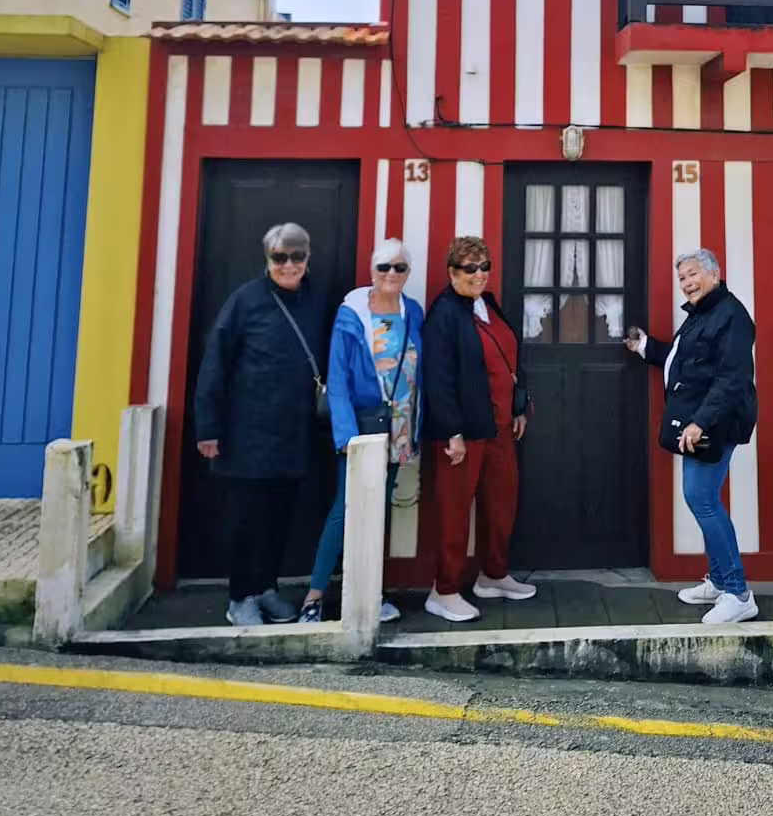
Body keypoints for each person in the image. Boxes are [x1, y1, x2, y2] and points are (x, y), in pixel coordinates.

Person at [195, 222, 327, 627]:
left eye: (296, 257)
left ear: (307, 259)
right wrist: (208, 428)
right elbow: (215, 363)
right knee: (245, 520)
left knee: (280, 517)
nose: (288, 265)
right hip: (245, 434)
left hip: (293, 434)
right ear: (267, 260)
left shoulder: (317, 301)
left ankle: (266, 588)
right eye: (279, 258)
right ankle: (240, 597)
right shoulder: (244, 301)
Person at [624, 247, 759, 625]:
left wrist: (700, 422)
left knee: (701, 498)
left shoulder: (731, 316)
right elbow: (681, 361)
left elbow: (732, 378)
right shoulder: (702, 315)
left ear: (715, 275)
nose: (686, 283)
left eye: (693, 274)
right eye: (682, 277)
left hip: (715, 422)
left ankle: (738, 592)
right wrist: (646, 347)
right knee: (702, 498)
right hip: (701, 419)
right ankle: (719, 582)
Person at [299, 238, 425, 624]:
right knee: (346, 510)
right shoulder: (351, 314)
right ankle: (314, 596)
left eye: (399, 268)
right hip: (362, 426)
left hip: (400, 426)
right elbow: (337, 379)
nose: (391, 274)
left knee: (379, 512)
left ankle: (370, 590)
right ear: (372, 272)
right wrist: (346, 437)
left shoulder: (414, 312)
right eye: (384, 267)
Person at [421, 236, 536, 622]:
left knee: (502, 503)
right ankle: (445, 590)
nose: (479, 274)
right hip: (463, 432)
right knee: (454, 513)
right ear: (452, 271)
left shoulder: (487, 304)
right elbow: (437, 378)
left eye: (484, 266)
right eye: (470, 268)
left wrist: (519, 407)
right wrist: (451, 431)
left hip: (500, 426)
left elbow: (510, 359)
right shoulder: (444, 313)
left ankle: (493, 574)